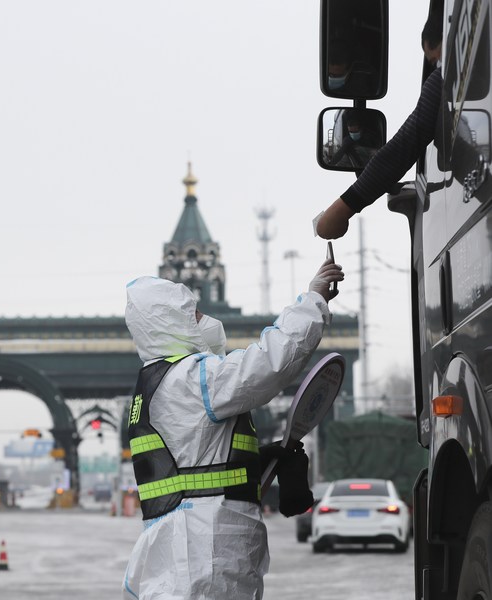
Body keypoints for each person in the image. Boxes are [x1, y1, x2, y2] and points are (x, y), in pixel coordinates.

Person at [121, 258, 344, 600]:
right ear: (170, 323)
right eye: (193, 314)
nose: (203, 320)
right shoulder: (191, 378)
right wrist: (314, 301)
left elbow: (195, 463)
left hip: (180, 546)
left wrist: (253, 462)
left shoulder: (154, 383)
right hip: (204, 549)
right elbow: (269, 364)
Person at [317, 9, 443, 239]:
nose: (438, 70)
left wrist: (344, 207)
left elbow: (407, 142)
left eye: (436, 61)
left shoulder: (443, 81)